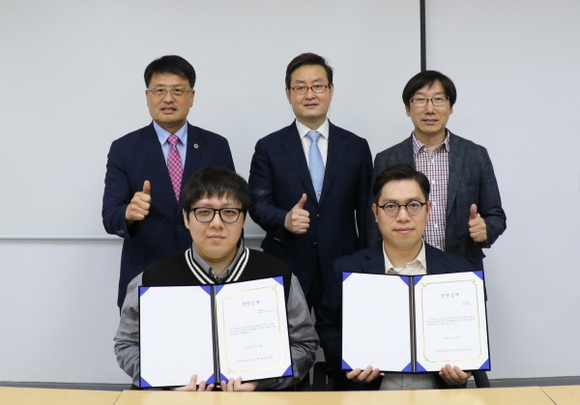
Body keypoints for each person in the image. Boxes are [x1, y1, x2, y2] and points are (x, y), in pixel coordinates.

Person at [114, 166, 318, 391]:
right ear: (186, 217)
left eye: (229, 212)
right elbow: (127, 345)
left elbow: (304, 345)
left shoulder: (278, 275)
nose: (216, 223)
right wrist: (167, 384)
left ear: (243, 218)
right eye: (204, 212)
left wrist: (261, 382)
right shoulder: (153, 279)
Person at [317, 162, 476, 390]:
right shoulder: (347, 271)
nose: (403, 216)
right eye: (391, 206)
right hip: (368, 395)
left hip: (438, 394)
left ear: (428, 209)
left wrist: (464, 369)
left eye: (413, 205)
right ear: (375, 212)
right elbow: (327, 327)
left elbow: (469, 337)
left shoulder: (460, 273)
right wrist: (350, 363)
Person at [102, 55, 235, 308]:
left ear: (191, 97)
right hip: (147, 278)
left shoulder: (216, 146)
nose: (168, 98)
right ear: (147, 96)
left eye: (178, 90)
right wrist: (129, 213)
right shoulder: (124, 149)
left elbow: (232, 210)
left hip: (208, 275)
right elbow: (110, 216)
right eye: (159, 90)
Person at [248, 52, 372, 312]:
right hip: (287, 263)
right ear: (288, 94)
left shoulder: (356, 147)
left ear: (331, 90)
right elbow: (257, 203)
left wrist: (366, 264)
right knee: (285, 335)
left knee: (341, 335)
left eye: (318, 86)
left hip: (343, 265)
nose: (310, 94)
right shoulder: (269, 147)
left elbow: (367, 214)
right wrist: (284, 219)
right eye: (300, 88)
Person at [369, 71, 506, 269]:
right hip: (403, 268)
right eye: (420, 100)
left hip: (462, 266)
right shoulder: (387, 159)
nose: (430, 109)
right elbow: (374, 223)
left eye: (438, 99)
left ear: (450, 107)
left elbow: (496, 215)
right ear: (408, 108)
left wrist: (486, 229)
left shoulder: (475, 155)